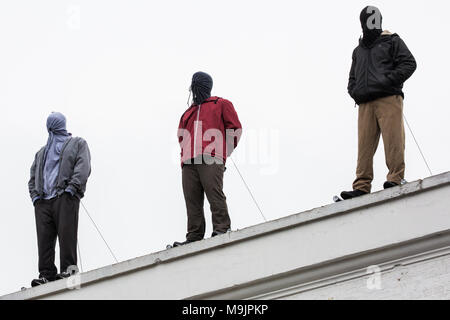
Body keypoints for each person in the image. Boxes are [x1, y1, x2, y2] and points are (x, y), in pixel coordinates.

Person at [341, 6, 417, 200]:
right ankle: (362, 186)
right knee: (364, 146)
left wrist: (388, 80)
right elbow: (352, 78)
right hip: (366, 103)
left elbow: (409, 63)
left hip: (388, 98)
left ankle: (395, 177)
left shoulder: (392, 41)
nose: (371, 23)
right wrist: (355, 91)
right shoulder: (358, 51)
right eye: (367, 19)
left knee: (393, 140)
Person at [174, 72, 242, 246]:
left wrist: (222, 153)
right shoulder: (187, 113)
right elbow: (181, 136)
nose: (195, 87)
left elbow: (235, 128)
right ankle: (194, 236)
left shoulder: (221, 104)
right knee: (192, 200)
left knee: (214, 193)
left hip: (211, 157)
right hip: (189, 162)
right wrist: (185, 155)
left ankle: (221, 228)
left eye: (198, 83)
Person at [28, 112, 91, 286]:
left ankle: (68, 271)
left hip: (65, 196)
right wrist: (35, 197)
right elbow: (32, 176)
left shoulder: (77, 143)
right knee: (44, 241)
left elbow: (83, 165)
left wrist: (72, 188)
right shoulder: (41, 153)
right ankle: (46, 274)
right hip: (43, 201)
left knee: (67, 235)